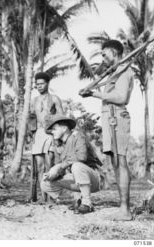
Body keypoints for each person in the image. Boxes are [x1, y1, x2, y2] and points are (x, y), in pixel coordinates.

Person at [82, 39, 134, 221]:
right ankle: (123, 207)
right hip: (109, 117)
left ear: (114, 52)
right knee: (115, 163)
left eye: (104, 54)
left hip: (116, 117)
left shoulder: (124, 71)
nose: (103, 58)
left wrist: (95, 94)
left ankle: (125, 210)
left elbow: (120, 97)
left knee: (121, 161)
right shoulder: (113, 72)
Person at [40, 114, 102, 214]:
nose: (52, 132)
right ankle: (77, 200)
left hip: (93, 178)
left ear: (64, 128)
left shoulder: (78, 135)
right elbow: (60, 168)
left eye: (55, 129)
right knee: (45, 183)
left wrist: (61, 166)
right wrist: (53, 174)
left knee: (76, 166)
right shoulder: (59, 146)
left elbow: (81, 157)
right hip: (76, 179)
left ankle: (87, 203)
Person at [29, 72, 64, 201]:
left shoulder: (54, 99)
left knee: (49, 164)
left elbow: (61, 117)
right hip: (38, 133)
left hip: (51, 133)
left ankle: (51, 196)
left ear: (47, 83)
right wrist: (32, 133)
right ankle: (43, 197)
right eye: (37, 84)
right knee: (39, 166)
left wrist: (58, 136)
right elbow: (31, 118)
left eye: (41, 84)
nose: (39, 86)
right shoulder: (34, 100)